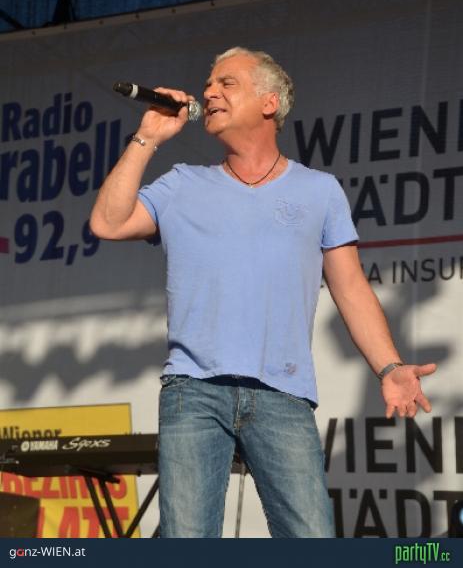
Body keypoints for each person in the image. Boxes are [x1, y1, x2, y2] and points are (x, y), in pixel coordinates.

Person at [90, 47, 437, 538]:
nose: (209, 92)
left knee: (311, 541)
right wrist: (148, 136)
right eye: (208, 84)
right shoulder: (182, 183)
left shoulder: (319, 190)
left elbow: (350, 287)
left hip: (283, 395)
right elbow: (107, 223)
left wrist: (389, 366)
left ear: (269, 102)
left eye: (226, 83)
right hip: (194, 391)